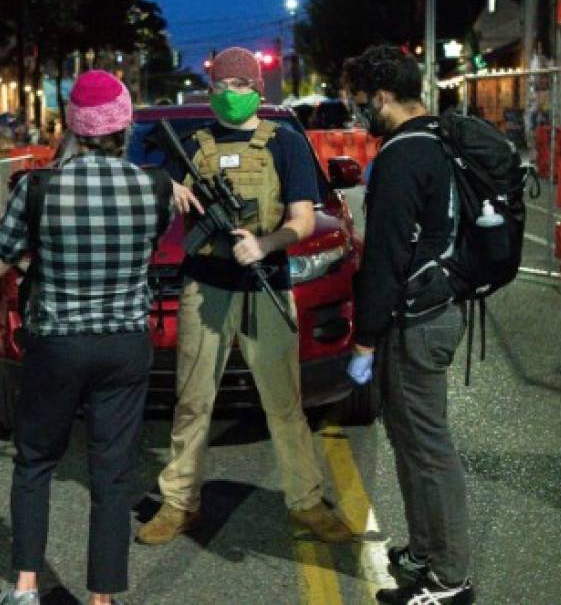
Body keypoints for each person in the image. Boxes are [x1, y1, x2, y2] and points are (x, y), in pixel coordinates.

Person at [137, 47, 352, 546]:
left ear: (257, 88)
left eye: (238, 86)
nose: (228, 96)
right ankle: (178, 503)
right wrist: (165, 184)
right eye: (219, 87)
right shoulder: (192, 144)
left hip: (266, 284)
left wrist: (265, 244)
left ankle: (307, 501)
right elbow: (140, 176)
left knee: (284, 402)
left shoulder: (285, 143)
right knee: (192, 401)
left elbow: (301, 219)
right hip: (205, 286)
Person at [0, 71, 173, 605]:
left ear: (72, 127)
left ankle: (24, 587)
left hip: (57, 343)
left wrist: (29, 256)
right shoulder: (154, 187)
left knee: (35, 460)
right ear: (124, 126)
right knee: (112, 472)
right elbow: (148, 247)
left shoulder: (37, 187)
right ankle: (103, 597)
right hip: (125, 342)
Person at [342, 45, 474, 605]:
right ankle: (424, 553)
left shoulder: (400, 155)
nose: (355, 112)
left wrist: (365, 337)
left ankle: (450, 579)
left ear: (383, 97)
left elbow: (386, 255)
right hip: (439, 307)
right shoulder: (439, 140)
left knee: (426, 447)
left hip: (416, 320)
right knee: (410, 441)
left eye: (358, 101)